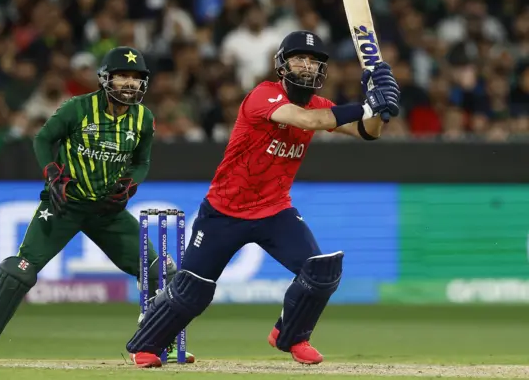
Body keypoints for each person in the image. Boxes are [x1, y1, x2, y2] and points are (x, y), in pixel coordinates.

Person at [125, 31, 400, 368]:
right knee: (192, 290)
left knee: (321, 271)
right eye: (299, 58)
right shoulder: (263, 95)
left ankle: (291, 336)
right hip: (224, 212)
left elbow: (368, 132)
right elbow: (306, 120)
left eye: (314, 61)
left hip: (274, 211)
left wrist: (379, 100)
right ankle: (147, 346)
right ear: (282, 64)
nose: (307, 65)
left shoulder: (319, 104)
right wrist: (367, 103)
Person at [0, 46, 195, 364]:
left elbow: (142, 161)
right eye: (122, 76)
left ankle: (159, 342)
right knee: (20, 271)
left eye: (136, 77)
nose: (129, 83)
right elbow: (43, 139)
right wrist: (52, 173)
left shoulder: (143, 118)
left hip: (107, 212)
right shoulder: (78, 108)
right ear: (105, 79)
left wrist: (131, 183)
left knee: (160, 271)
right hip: (64, 206)